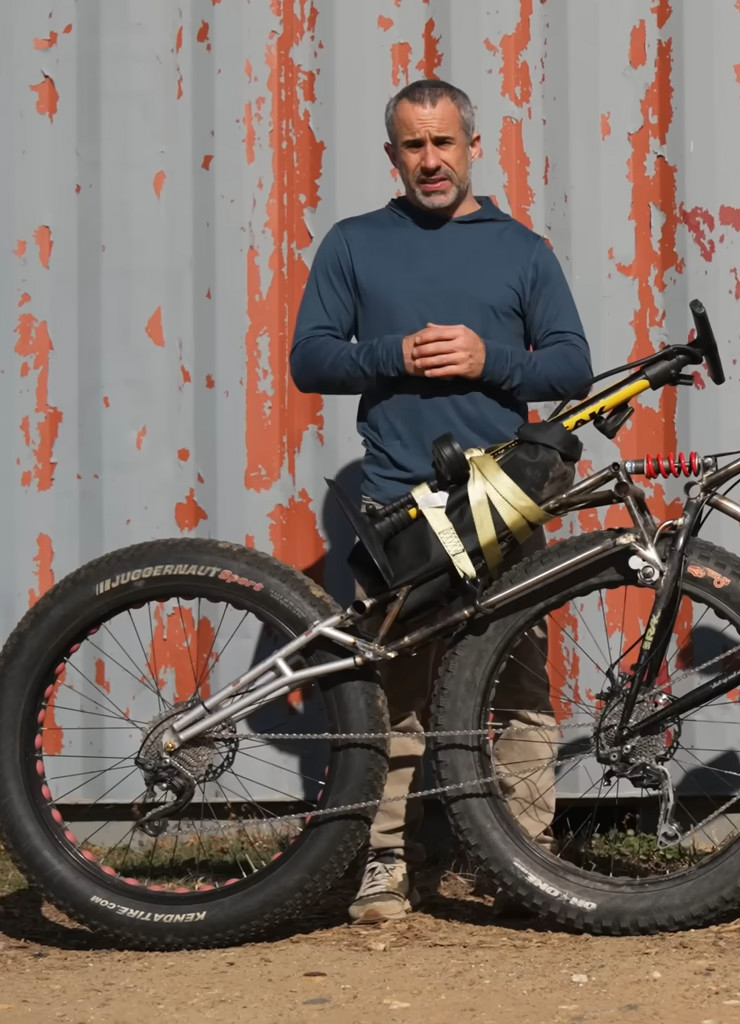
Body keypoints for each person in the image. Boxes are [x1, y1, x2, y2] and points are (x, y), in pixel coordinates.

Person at [289, 77, 593, 923]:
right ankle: (386, 858)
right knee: (393, 691)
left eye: (444, 143)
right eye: (414, 146)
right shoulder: (354, 244)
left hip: (504, 499)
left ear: (472, 146)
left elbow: (571, 365)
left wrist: (490, 358)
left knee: (520, 684)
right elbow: (310, 358)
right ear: (393, 156)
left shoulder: (522, 249)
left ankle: (528, 857)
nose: (430, 160)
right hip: (398, 505)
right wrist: (395, 354)